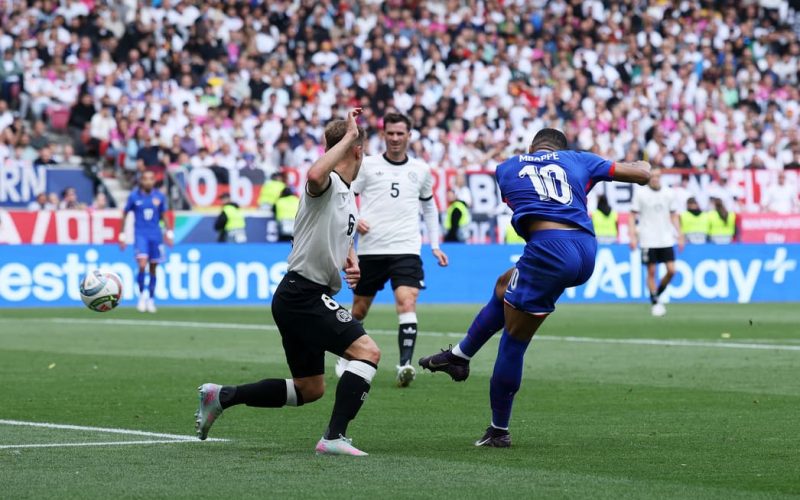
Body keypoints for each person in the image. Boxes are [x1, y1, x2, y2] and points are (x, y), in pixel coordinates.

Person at [418, 128, 650, 447]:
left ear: (532, 147)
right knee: (504, 284)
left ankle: (498, 431)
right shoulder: (580, 160)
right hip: (586, 249)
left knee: (514, 341)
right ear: (561, 148)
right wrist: (639, 164)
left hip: (549, 249)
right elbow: (642, 175)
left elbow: (524, 200)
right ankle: (459, 354)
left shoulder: (507, 167)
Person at [195, 109, 382, 456]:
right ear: (356, 149)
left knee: (309, 389)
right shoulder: (325, 184)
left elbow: (336, 234)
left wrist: (350, 258)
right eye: (362, 148)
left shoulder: (345, 193)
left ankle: (221, 396)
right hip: (303, 294)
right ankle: (333, 438)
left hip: (299, 295)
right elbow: (313, 174)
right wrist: (348, 137)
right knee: (367, 352)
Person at [344, 112, 449, 387]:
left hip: (406, 248)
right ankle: (345, 355)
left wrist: (435, 245)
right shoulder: (367, 166)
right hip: (371, 250)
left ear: (409, 136)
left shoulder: (421, 170)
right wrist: (355, 220)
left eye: (400, 133)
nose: (394, 138)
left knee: (407, 301)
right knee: (359, 310)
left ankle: (405, 365)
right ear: (383, 135)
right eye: (390, 133)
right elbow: (345, 195)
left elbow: (429, 206)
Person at [628, 167, 684, 317]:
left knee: (672, 270)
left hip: (665, 237)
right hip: (648, 238)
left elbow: (674, 215)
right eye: (652, 176)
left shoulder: (669, 193)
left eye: (657, 176)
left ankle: (656, 295)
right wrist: (633, 236)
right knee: (651, 271)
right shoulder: (640, 194)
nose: (655, 179)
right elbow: (632, 216)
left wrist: (680, 235)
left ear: (661, 177)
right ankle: (655, 302)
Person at [118, 170, 173, 313]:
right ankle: (142, 296)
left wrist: (169, 232)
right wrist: (122, 235)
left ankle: (151, 299)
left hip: (155, 235)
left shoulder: (159, 196)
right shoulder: (134, 196)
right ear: (141, 181)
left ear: (154, 181)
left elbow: (163, 215)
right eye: (145, 179)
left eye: (151, 178)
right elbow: (124, 214)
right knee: (142, 265)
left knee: (154, 267)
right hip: (140, 235)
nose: (148, 181)